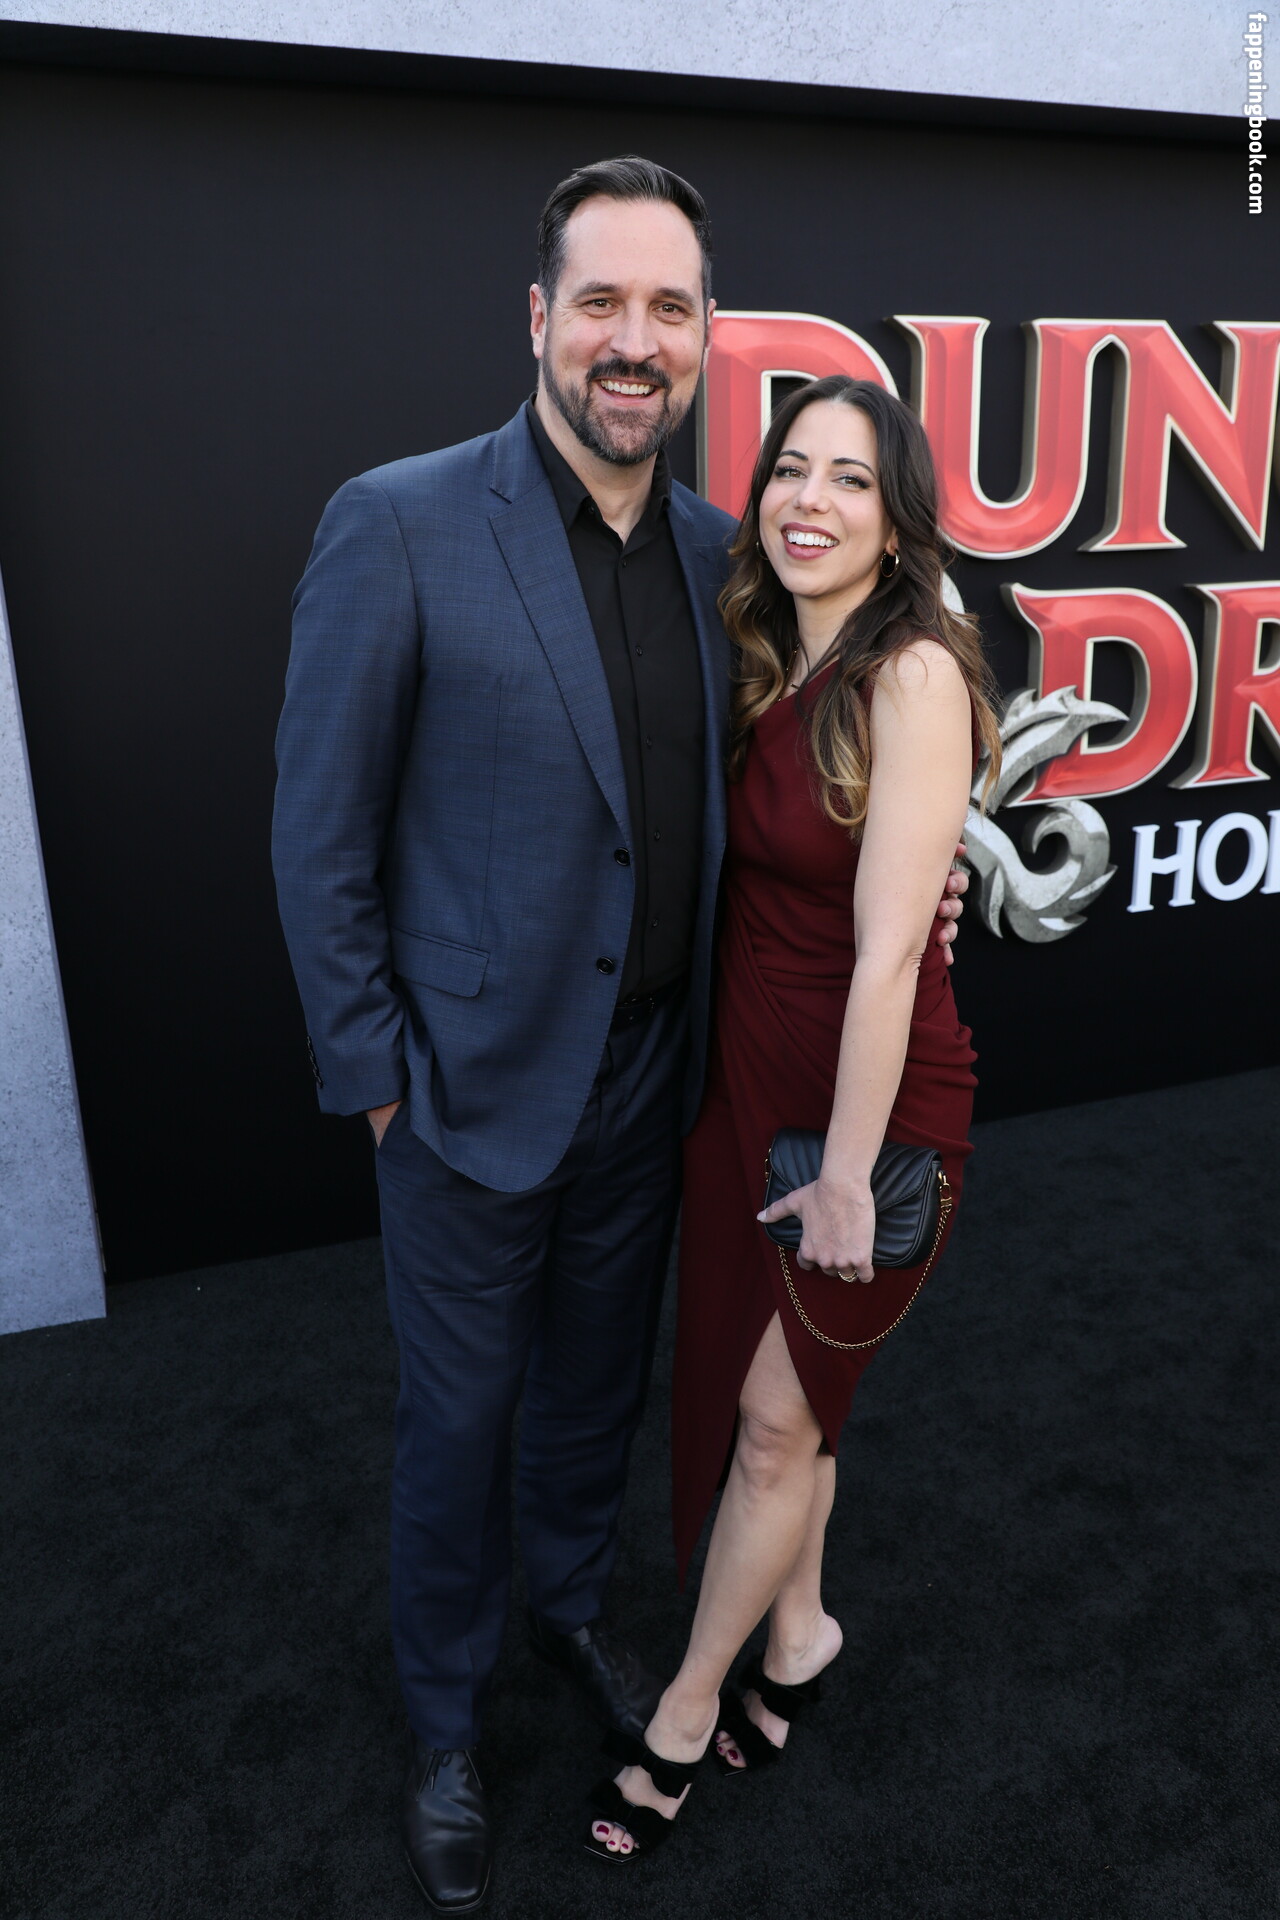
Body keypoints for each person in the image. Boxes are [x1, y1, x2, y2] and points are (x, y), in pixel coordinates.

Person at [273, 159, 967, 1915]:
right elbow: (317, 836)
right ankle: (444, 1728)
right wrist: (379, 1090)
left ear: (708, 336)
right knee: (458, 1429)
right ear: (539, 318)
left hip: (661, 1078)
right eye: (601, 302)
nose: (632, 341)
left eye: (669, 308)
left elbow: (812, 786)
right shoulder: (398, 520)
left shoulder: (734, 559)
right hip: (459, 1099)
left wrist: (926, 884)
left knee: (596, 1395)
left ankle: (572, 1615)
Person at [585, 374, 1000, 1862]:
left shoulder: (914, 675)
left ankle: (684, 1708)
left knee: (773, 1425)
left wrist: (846, 1178)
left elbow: (889, 957)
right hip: (742, 1079)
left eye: (851, 480)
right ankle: (802, 1632)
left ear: (899, 523)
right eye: (791, 470)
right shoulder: (757, 647)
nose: (809, 501)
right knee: (791, 1409)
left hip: (870, 1111)